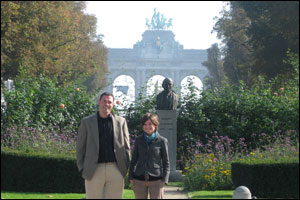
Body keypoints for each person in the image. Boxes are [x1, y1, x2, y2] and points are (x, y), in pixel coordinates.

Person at [76, 92, 130, 199]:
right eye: (104, 101)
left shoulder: (121, 121)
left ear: (113, 104)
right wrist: (82, 168)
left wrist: (126, 167)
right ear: (99, 102)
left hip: (116, 168)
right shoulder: (87, 122)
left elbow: (127, 147)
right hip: (94, 169)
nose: (107, 104)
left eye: (109, 102)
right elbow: (80, 148)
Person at [129, 113, 170, 199]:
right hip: (139, 179)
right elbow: (134, 160)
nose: (147, 127)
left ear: (155, 125)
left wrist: (164, 179)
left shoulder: (162, 141)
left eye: (150, 124)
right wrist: (131, 176)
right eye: (145, 124)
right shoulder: (138, 140)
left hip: (156, 180)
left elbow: (166, 162)